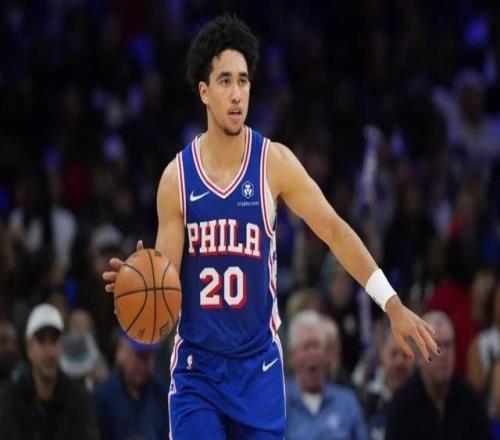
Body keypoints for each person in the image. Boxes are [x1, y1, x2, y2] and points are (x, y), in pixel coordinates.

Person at [102, 14, 439, 438]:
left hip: (258, 370)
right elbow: (166, 294)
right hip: (197, 374)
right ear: (204, 92)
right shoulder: (177, 179)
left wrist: (391, 304)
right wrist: (140, 282)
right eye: (225, 81)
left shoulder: (273, 162)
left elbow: (334, 230)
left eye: (243, 81)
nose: (236, 93)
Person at [385, 311, 491, 440]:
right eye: (435, 345)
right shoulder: (401, 406)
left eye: (448, 345)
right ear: (419, 354)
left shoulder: (471, 402)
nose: (443, 354)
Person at [0, 303, 98, 440]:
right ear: (29, 348)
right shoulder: (11, 399)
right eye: (42, 341)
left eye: (54, 340)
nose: (49, 351)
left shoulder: (78, 399)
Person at [285, 310, 367, 440]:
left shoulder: (347, 402)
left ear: (327, 355)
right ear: (292, 356)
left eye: (316, 346)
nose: (312, 353)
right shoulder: (279, 404)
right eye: (306, 346)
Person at [92, 334, 169, 440]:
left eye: (148, 357)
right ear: (122, 353)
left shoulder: (163, 396)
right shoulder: (103, 396)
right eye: (138, 356)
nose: (142, 366)